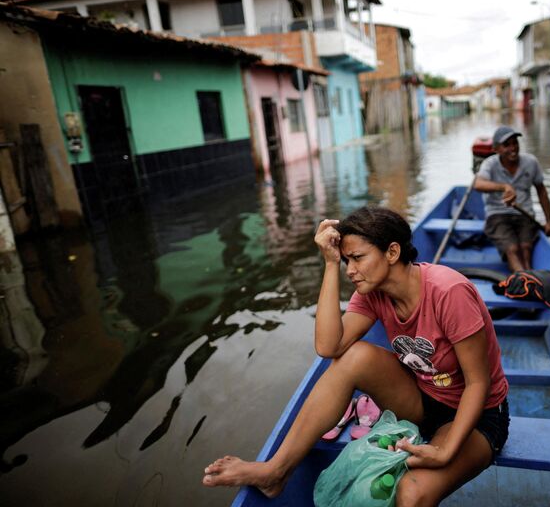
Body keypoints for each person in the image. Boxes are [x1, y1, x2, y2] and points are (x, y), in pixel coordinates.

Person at [202, 206, 510, 506]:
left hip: (478, 414)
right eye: (347, 260)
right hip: (424, 398)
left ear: (392, 252)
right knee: (352, 357)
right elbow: (329, 346)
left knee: (411, 493)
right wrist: (329, 264)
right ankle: (276, 470)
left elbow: (477, 384)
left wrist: (445, 451)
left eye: (358, 258)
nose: (351, 269)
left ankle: (445, 449)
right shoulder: (371, 294)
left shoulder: (448, 292)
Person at [474, 125, 550, 272]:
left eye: (515, 143)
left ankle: (528, 277)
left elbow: (542, 192)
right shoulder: (490, 164)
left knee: (526, 247)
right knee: (512, 248)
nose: (513, 148)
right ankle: (525, 279)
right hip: (497, 214)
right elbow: (478, 184)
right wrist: (504, 187)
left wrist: (549, 222)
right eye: (507, 145)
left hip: (524, 214)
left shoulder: (531, 162)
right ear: (496, 149)